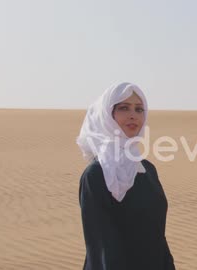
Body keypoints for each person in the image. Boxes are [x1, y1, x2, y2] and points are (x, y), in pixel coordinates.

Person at [77, 82, 175, 270]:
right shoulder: (96, 175)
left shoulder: (147, 170)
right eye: (123, 108)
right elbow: (100, 247)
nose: (133, 115)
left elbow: (158, 237)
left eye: (139, 109)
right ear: (107, 115)